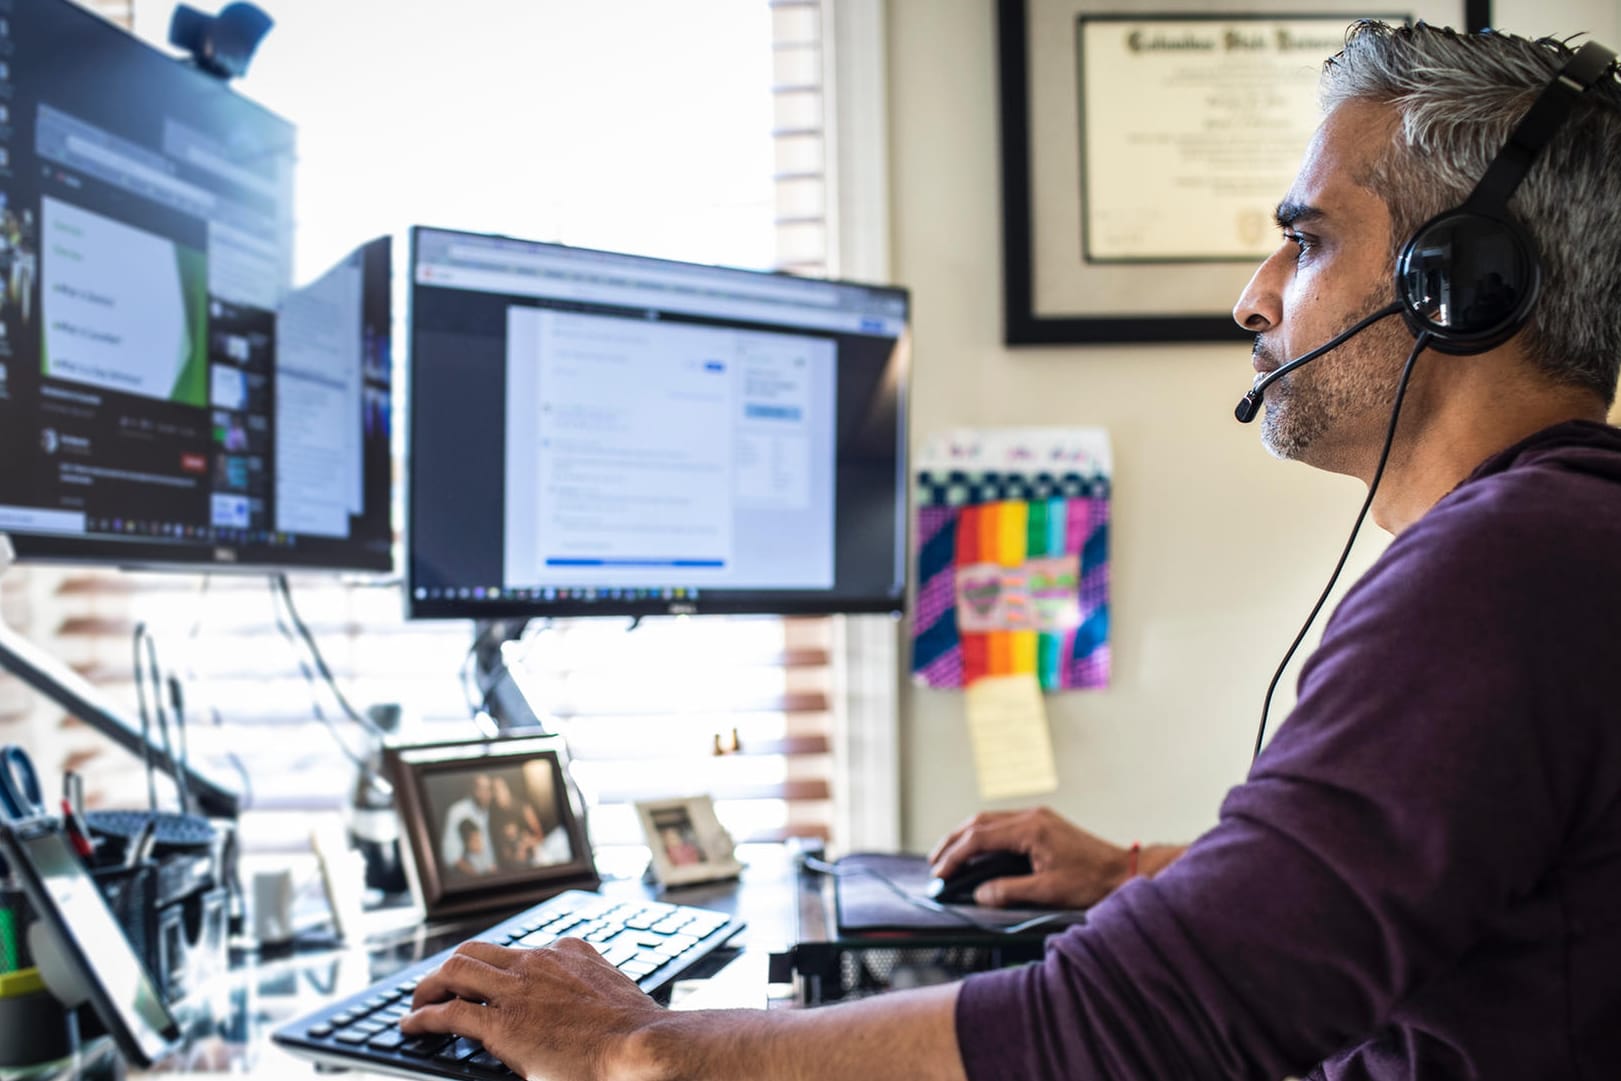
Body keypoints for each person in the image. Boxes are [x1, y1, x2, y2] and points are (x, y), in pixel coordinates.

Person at [401, 22, 1621, 1079]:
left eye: (1302, 242)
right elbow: (1430, 873)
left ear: (1455, 283)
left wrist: (636, 1046)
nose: (1253, 299)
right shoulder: (1557, 545)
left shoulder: (1504, 573)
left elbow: (1135, 1027)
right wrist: (1135, 870)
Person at [439, 773, 497, 877]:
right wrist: (479, 879)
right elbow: (451, 856)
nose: (486, 794)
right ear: (473, 790)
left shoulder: (490, 811)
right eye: (482, 789)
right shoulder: (458, 811)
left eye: (489, 789)